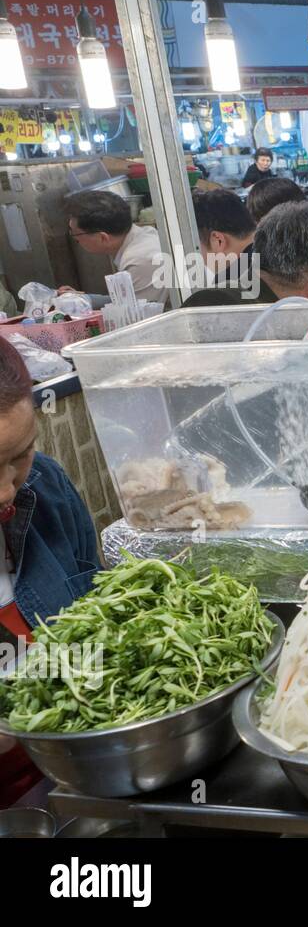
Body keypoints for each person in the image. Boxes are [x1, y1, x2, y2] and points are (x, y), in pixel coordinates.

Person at [0, 338, 101, 805]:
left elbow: (98, 627)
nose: (5, 490)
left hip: (75, 780)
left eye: (19, 454)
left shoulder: (46, 489)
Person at [62, 190, 167, 304]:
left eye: (76, 235)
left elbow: (137, 315)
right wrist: (83, 299)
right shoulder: (141, 235)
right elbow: (124, 300)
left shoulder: (139, 260)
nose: (73, 237)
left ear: (103, 238)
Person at [182, 190, 271, 307]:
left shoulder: (229, 284)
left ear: (218, 240)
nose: (201, 258)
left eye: (198, 248)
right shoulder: (279, 248)